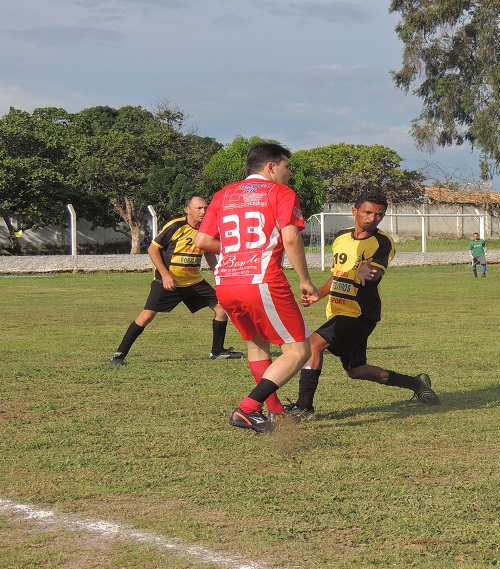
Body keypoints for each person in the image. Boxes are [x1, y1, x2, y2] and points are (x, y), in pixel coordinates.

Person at [194, 142, 317, 433]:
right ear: (271, 166)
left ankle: (275, 412)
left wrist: (239, 252)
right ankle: (248, 409)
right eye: (287, 166)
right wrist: (306, 280)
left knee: (257, 344)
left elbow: (202, 242)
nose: (289, 173)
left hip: (226, 283)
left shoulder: (223, 195)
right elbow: (290, 239)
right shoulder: (281, 193)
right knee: (299, 351)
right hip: (262, 280)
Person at [285, 190, 439, 421]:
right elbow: (337, 274)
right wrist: (319, 294)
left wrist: (368, 271)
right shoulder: (340, 237)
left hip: (360, 313)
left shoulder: (383, 242)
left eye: (379, 215)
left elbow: (374, 272)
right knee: (355, 370)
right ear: (354, 211)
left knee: (313, 347)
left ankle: (304, 406)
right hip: (338, 310)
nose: (372, 218)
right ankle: (416, 383)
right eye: (367, 212)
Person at [109, 196, 242, 366]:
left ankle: (217, 352)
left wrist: (217, 272)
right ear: (188, 210)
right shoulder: (176, 226)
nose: (203, 212)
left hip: (194, 281)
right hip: (168, 281)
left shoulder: (207, 228)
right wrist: (165, 275)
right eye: (199, 208)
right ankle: (119, 354)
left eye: (205, 208)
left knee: (222, 309)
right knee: (147, 315)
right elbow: (152, 249)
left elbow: (208, 251)